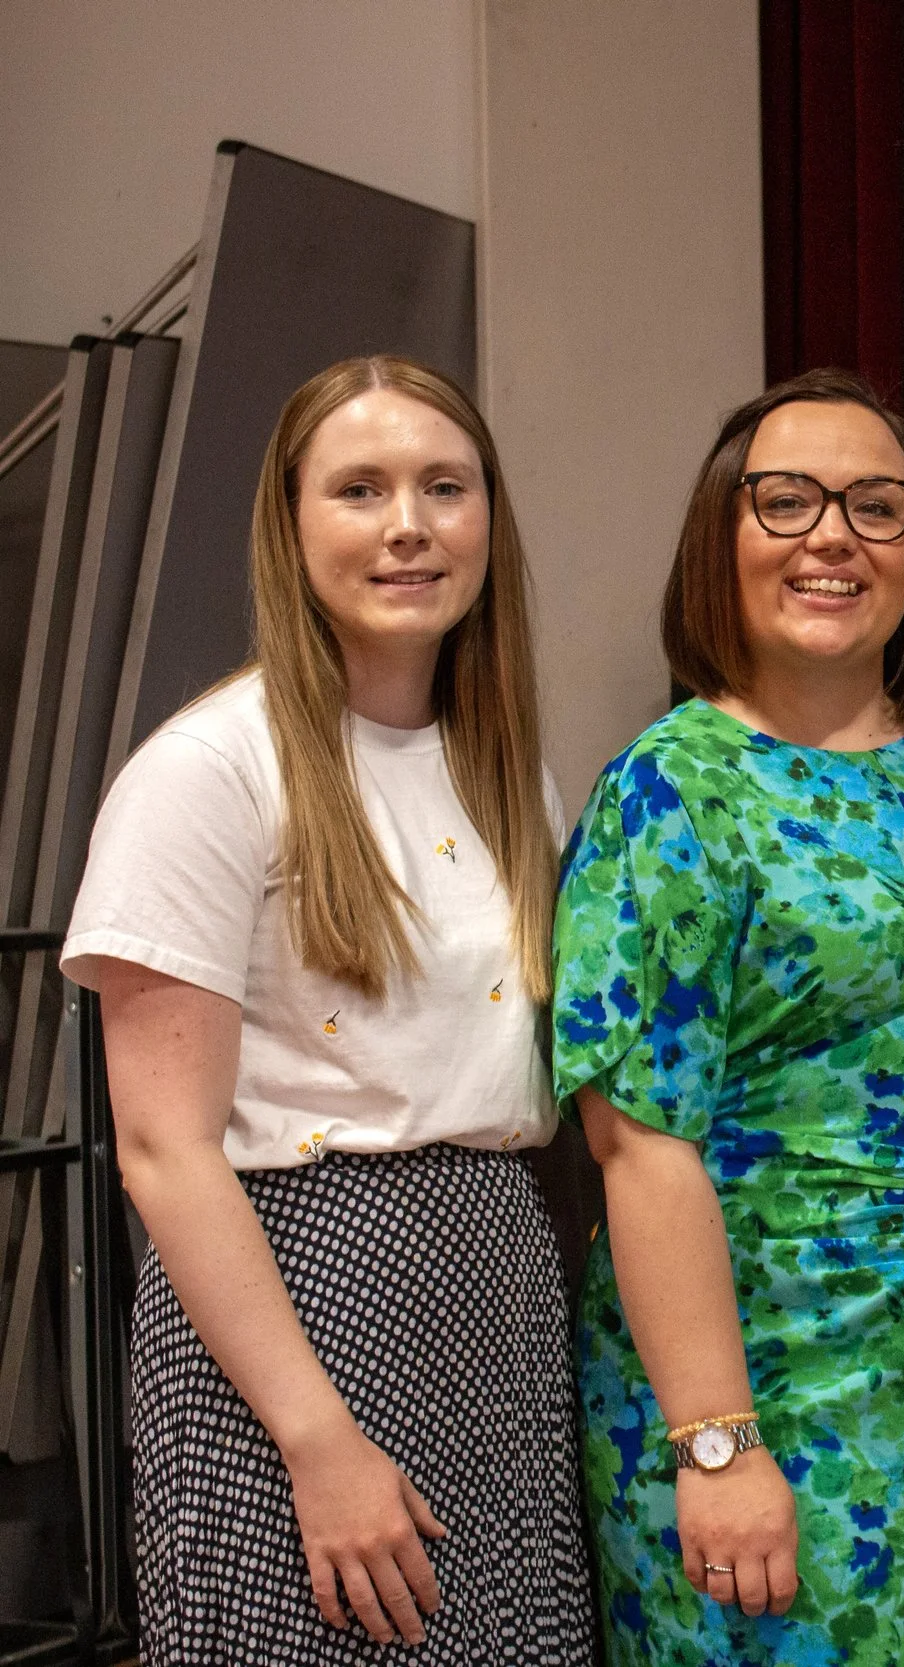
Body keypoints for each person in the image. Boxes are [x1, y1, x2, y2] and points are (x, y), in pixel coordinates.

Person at [64, 356, 593, 1661]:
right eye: (360, 489)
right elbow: (163, 1148)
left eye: (444, 487)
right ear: (289, 525)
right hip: (294, 1302)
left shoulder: (507, 772)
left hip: (493, 1281)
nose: (409, 524)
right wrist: (319, 1441)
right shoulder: (207, 771)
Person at [555, 367, 904, 1663]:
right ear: (718, 538)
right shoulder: (671, 791)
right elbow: (638, 1143)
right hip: (769, 1383)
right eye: (786, 501)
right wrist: (717, 1445)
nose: (832, 536)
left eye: (875, 506)